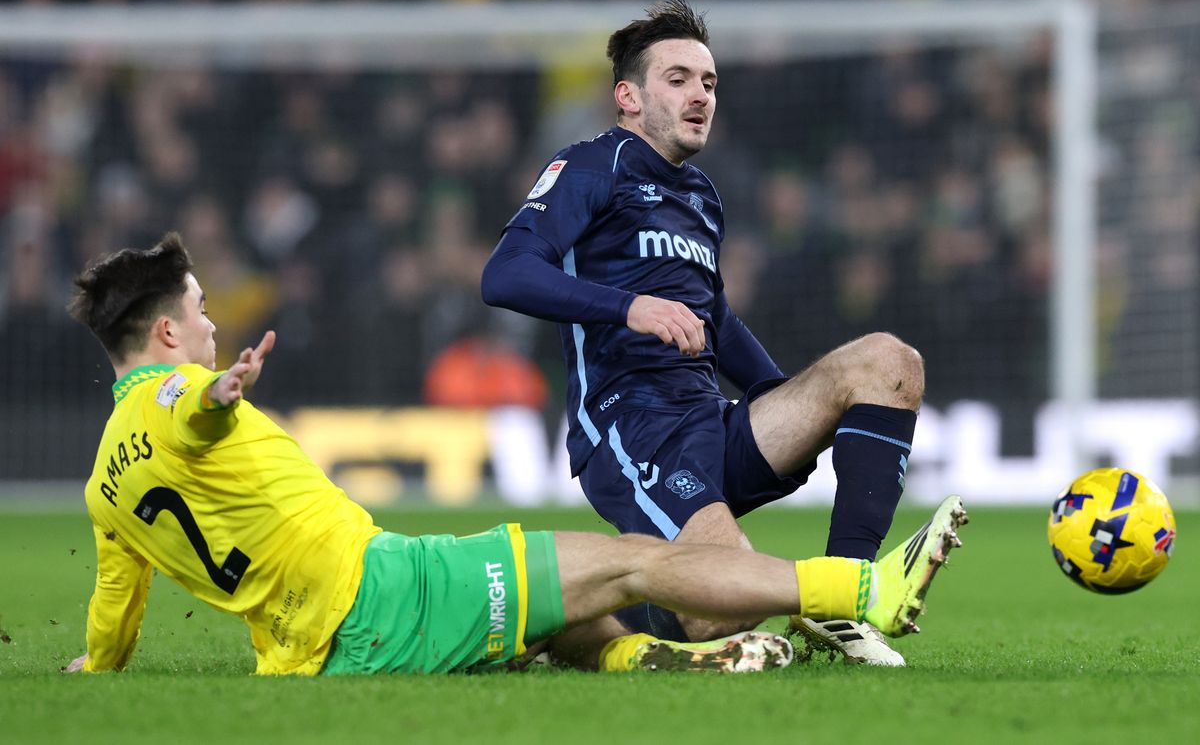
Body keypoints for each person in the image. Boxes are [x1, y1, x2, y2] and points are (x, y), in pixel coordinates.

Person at [64, 233, 966, 677]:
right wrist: (217, 393)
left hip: (313, 652)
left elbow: (114, 608)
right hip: (387, 593)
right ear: (168, 333)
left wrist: (93, 667)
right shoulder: (181, 396)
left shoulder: (106, 478)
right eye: (201, 310)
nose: (212, 325)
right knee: (634, 561)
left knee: (559, 595)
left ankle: (637, 660)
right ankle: (863, 591)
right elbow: (185, 410)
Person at [482, 0, 933, 666]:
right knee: (730, 603)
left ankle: (842, 599)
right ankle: (568, 616)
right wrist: (629, 307)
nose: (700, 95)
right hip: (634, 426)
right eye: (679, 79)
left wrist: (782, 399)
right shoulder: (591, 166)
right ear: (628, 97)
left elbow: (714, 316)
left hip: (710, 420)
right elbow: (505, 274)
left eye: (709, 82)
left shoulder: (701, 195)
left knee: (889, 363)